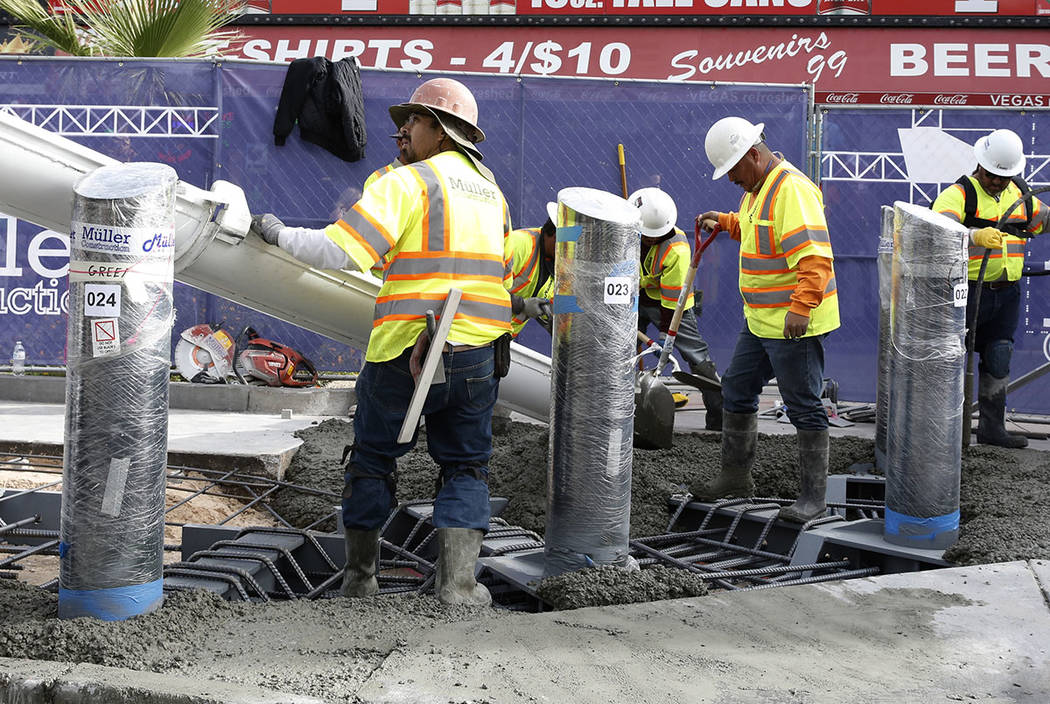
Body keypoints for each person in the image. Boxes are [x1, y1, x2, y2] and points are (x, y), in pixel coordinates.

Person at [250, 77, 511, 606]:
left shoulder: (410, 183)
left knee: (372, 459)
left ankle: (360, 580)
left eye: (411, 121)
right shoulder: (492, 192)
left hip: (405, 349)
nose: (402, 131)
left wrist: (277, 234)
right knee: (465, 467)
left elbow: (338, 251)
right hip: (478, 353)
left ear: (440, 129)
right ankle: (459, 587)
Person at [691, 117, 840, 524]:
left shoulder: (792, 190)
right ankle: (736, 478)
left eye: (733, 171)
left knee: (802, 405)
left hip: (793, 322)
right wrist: (724, 221)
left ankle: (813, 499)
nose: (731, 181)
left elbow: (814, 258)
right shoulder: (759, 189)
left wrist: (801, 308)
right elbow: (759, 231)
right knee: (737, 388)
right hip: (762, 320)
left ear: (752, 155)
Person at [932, 128, 1049, 448]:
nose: (998, 181)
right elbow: (937, 228)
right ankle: (944, 433)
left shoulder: (1020, 194)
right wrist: (973, 236)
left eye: (1004, 176)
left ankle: (991, 428)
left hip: (1006, 292)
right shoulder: (959, 194)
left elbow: (1044, 221)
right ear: (980, 165)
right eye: (993, 174)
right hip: (965, 292)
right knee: (952, 361)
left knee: (999, 357)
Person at [629, 187, 723, 431]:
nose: (648, 239)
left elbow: (672, 304)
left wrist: (664, 339)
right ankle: (618, 410)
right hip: (635, 299)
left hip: (671, 306)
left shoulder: (677, 250)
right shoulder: (627, 231)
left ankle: (719, 417)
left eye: (652, 236)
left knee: (696, 357)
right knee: (620, 349)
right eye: (645, 235)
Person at [504, 201, 556, 337]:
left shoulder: (557, 263)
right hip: (477, 334)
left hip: (501, 339)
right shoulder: (520, 245)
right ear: (555, 235)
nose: (570, 254)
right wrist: (521, 305)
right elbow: (484, 286)